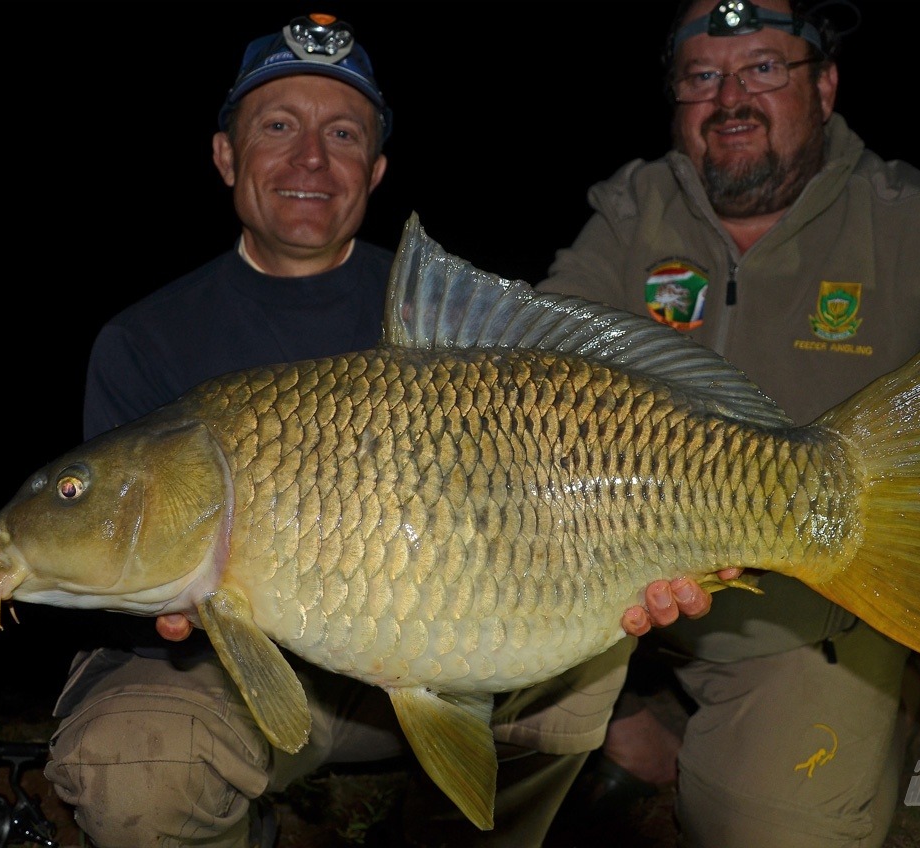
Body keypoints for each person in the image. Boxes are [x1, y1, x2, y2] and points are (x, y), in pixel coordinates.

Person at [43, 13, 647, 847]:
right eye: (278, 127)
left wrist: (649, 552)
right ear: (226, 156)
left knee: (586, 669)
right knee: (138, 767)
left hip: (429, 645)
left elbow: (569, 475)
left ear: (377, 167)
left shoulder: (443, 321)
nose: (310, 160)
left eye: (342, 133)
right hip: (216, 675)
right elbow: (120, 564)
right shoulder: (146, 340)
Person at [535, 1, 920, 846]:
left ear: (826, 87)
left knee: (768, 825)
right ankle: (642, 721)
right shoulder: (630, 213)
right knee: (494, 667)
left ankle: (876, 687)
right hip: (635, 594)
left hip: (814, 612)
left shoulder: (918, 223)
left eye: (765, 68)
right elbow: (537, 347)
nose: (730, 96)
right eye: (702, 75)